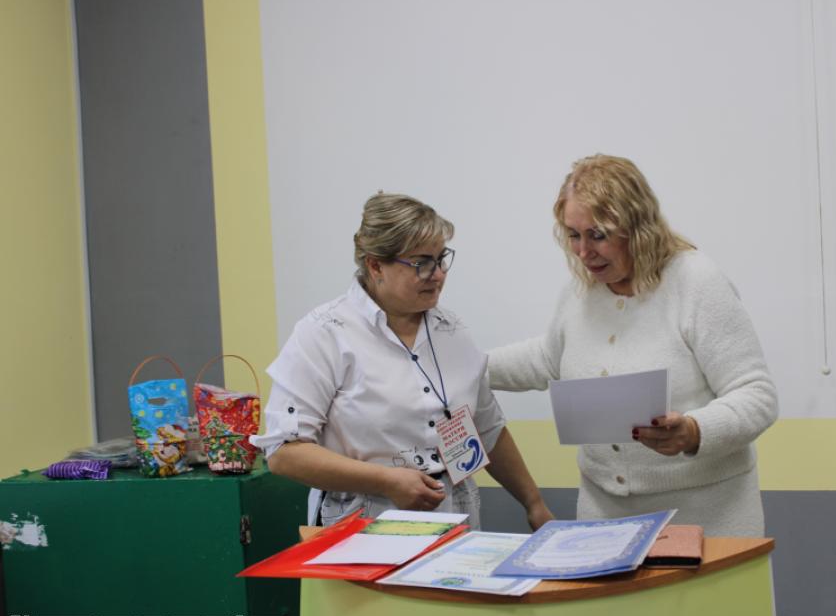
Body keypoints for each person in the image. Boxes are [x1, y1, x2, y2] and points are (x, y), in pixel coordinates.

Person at [488, 155, 778, 537]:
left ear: (637, 227)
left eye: (598, 235)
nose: (583, 252)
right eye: (573, 235)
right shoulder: (582, 292)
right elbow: (547, 358)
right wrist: (464, 367)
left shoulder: (695, 282)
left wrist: (694, 430)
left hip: (706, 521)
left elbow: (757, 395)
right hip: (605, 521)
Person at [252, 192, 553, 530]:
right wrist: (385, 480)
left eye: (441, 259)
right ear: (375, 265)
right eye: (421, 263)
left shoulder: (451, 330)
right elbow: (284, 453)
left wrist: (534, 503)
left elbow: (487, 429)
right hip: (364, 519)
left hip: (454, 512)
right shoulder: (325, 333)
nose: (438, 275)